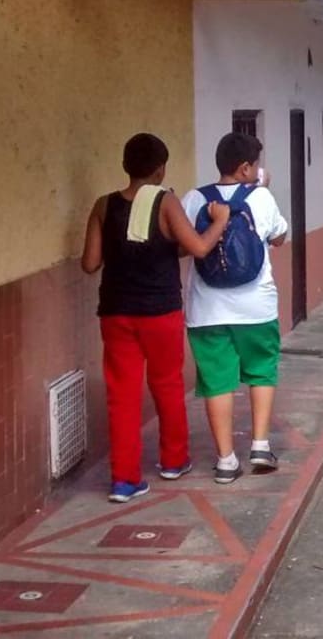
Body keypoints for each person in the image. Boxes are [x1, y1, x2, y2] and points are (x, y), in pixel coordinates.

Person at [81, 133, 230, 503]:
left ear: (125, 165)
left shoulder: (103, 205)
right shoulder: (165, 202)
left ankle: (124, 480)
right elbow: (198, 247)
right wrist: (220, 221)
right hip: (160, 312)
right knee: (167, 384)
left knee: (122, 394)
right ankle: (173, 461)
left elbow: (90, 263)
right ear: (161, 169)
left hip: (115, 312)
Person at [181, 133, 289, 484]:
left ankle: (226, 461)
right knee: (262, 371)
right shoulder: (260, 196)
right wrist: (262, 191)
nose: (257, 170)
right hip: (256, 308)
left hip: (207, 310)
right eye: (255, 165)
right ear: (245, 168)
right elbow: (279, 237)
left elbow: (182, 245)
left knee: (217, 383)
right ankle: (260, 446)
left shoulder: (194, 199)